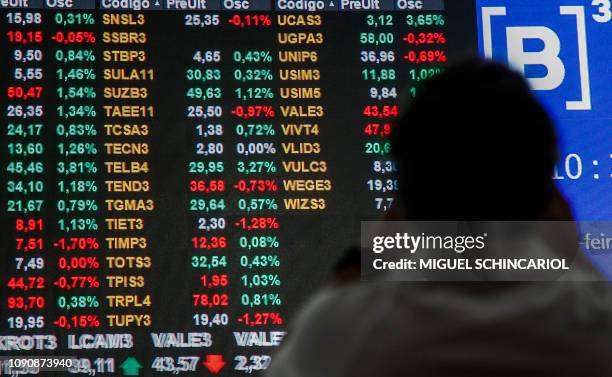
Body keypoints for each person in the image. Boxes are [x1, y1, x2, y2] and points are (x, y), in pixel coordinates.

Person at [266, 60, 612, 377]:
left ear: (402, 205)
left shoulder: (342, 331)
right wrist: (572, 248)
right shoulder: (598, 324)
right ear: (549, 201)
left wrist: (363, 258)